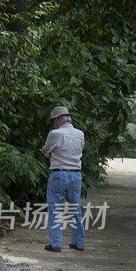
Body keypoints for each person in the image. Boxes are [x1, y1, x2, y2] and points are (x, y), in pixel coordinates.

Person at [40, 106, 85, 252]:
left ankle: (56, 244)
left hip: (59, 174)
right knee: (75, 209)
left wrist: (45, 153)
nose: (53, 124)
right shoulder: (80, 134)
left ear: (59, 119)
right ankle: (78, 243)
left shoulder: (55, 134)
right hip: (76, 175)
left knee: (55, 210)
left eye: (54, 121)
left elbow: (47, 151)